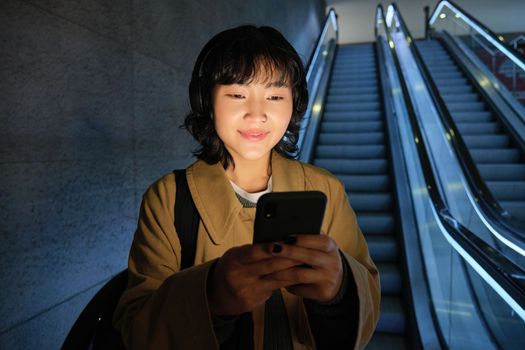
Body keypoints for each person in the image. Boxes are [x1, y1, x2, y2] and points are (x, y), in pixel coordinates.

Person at [113, 24, 380, 349]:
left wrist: (339, 290)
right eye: (238, 94)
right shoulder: (168, 198)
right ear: (206, 101)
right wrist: (211, 298)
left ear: (294, 104)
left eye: (275, 96)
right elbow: (136, 329)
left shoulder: (326, 190)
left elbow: (366, 305)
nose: (257, 114)